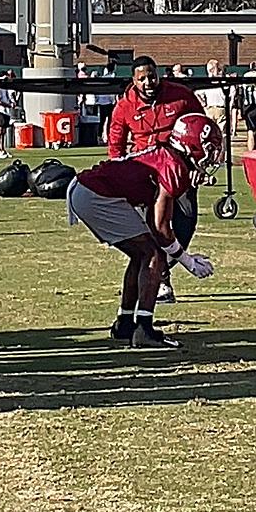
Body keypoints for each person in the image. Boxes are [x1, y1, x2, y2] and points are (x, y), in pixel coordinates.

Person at [69, 114, 222, 348]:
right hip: (95, 194)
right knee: (153, 256)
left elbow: (155, 222)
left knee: (142, 254)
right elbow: (161, 228)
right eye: (209, 147)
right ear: (192, 143)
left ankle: (125, 323)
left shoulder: (169, 159)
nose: (212, 156)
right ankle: (143, 329)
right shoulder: (174, 167)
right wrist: (186, 260)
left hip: (89, 190)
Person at [109, 55, 204, 305]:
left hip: (179, 169)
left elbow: (201, 128)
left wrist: (198, 165)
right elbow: (116, 143)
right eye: (142, 78)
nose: (148, 82)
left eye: (152, 76)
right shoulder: (124, 106)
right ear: (133, 80)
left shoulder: (181, 96)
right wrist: (118, 172)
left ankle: (165, 266)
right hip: (146, 172)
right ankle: (160, 278)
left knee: (186, 221)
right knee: (154, 227)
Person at [197, 59, 227, 130]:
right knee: (210, 131)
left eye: (212, 69)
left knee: (222, 131)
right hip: (210, 109)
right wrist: (203, 104)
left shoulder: (223, 81)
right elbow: (197, 93)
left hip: (221, 108)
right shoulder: (207, 83)